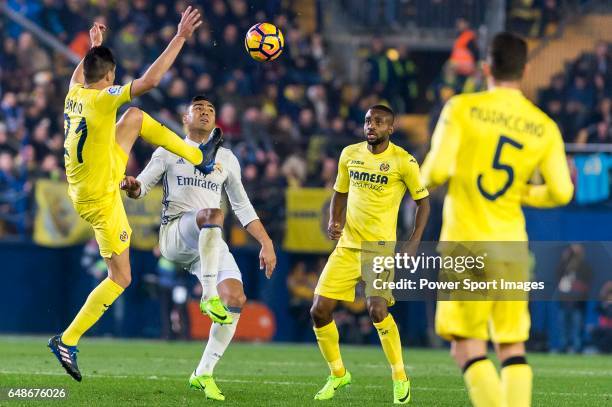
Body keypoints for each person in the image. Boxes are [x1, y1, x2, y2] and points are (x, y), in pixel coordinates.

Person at [48, 8, 222, 382]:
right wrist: (180, 37)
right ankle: (67, 339)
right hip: (99, 198)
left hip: (93, 175)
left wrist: (95, 46)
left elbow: (85, 70)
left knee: (135, 119)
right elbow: (150, 80)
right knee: (121, 276)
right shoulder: (99, 98)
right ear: (109, 77)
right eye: (112, 76)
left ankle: (196, 155)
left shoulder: (75, 92)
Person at [421, 32, 574, 407]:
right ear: (526, 69)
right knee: (512, 346)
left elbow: (435, 172)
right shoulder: (544, 126)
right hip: (512, 247)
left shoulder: (461, 108)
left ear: (486, 67)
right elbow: (562, 192)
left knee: (466, 347)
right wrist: (524, 193)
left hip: (467, 243)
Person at [121, 96, 277, 401]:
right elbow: (141, 188)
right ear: (185, 119)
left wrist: (267, 242)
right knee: (212, 215)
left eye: (210, 110)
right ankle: (208, 296)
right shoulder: (168, 150)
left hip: (209, 240)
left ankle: (203, 373)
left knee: (235, 297)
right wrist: (131, 185)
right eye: (199, 110)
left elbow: (243, 207)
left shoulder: (227, 159)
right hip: (176, 234)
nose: (205, 113)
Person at [310, 104, 430, 404]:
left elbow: (423, 203)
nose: (371, 126)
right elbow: (339, 192)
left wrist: (414, 240)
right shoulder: (349, 154)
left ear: (391, 128)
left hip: (379, 249)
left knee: (376, 309)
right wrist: (334, 219)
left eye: (378, 122)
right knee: (318, 311)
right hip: (347, 246)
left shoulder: (404, 161)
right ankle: (338, 374)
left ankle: (400, 377)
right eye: (367, 121)